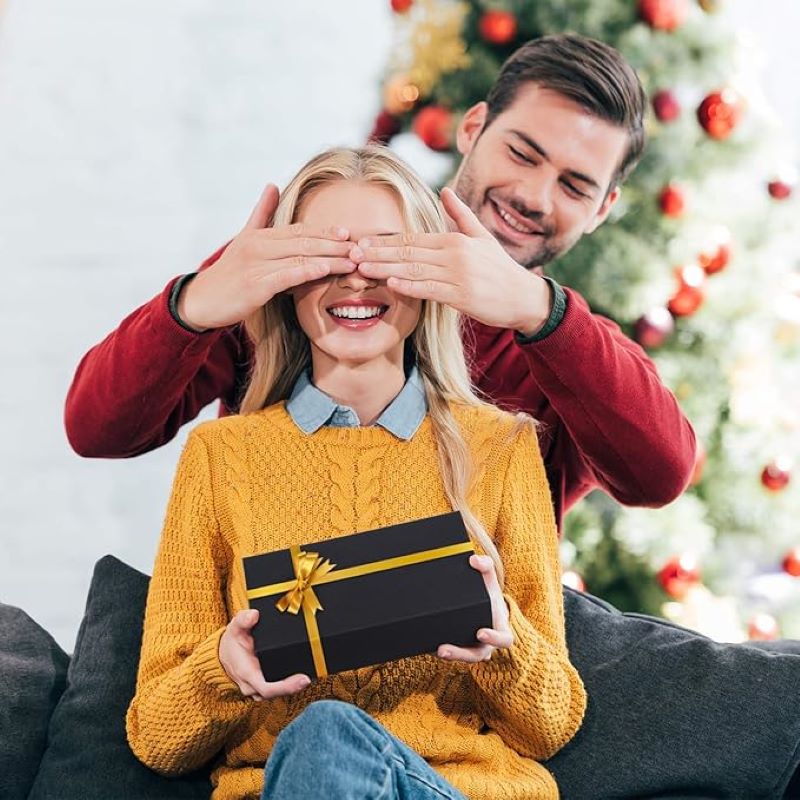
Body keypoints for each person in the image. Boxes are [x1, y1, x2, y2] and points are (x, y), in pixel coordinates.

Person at [69, 34, 800, 798]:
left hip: (467, 756)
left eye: (575, 185)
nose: (536, 196)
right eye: (523, 153)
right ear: (473, 128)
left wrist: (536, 311)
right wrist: (202, 299)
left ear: (604, 208)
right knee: (322, 745)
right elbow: (99, 427)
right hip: (295, 765)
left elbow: (660, 471)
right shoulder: (301, 302)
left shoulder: (546, 371)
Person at [126, 145, 586, 800]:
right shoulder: (221, 457)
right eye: (328, 256)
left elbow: (553, 725)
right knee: (320, 738)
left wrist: (503, 636)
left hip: (455, 790)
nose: (357, 280)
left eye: (386, 255)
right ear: (285, 282)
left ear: (429, 276)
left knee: (323, 734)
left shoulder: (501, 449)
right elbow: (156, 739)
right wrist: (222, 670)